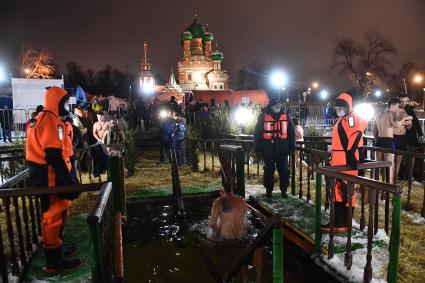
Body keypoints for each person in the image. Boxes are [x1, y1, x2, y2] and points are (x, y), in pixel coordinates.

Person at [26, 87, 81, 272]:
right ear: (56, 101)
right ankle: (53, 261)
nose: (66, 106)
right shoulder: (49, 120)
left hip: (51, 174)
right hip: (50, 175)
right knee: (53, 215)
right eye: (64, 102)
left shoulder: (48, 118)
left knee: (59, 211)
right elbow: (53, 155)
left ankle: (58, 249)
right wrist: (67, 182)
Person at [321, 93, 366, 231]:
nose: (338, 109)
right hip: (339, 160)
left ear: (348, 107)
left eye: (341, 107)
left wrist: (351, 154)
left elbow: (355, 135)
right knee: (340, 191)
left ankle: (342, 223)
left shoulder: (351, 119)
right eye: (337, 107)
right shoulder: (343, 119)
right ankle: (341, 223)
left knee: (345, 191)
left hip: (346, 161)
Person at [253, 93, 296, 198]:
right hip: (268, 149)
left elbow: (291, 131)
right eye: (276, 104)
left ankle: (284, 190)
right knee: (269, 170)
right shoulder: (263, 116)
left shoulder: (286, 116)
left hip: (283, 149)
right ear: (271, 105)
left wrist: (292, 146)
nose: (278, 106)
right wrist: (257, 148)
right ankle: (268, 190)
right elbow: (257, 133)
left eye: (279, 104)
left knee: (284, 170)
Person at [373, 97, 412, 184]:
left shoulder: (378, 114)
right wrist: (404, 119)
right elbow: (396, 124)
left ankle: (378, 188)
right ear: (393, 105)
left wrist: (376, 140)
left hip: (379, 140)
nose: (397, 109)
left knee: (379, 166)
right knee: (390, 166)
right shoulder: (392, 113)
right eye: (397, 106)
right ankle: (388, 190)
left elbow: (373, 130)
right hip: (388, 141)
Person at [400, 94, 424, 181]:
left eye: (406, 101)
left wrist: (420, 135)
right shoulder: (399, 109)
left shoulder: (408, 109)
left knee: (408, 157)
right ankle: (406, 176)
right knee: (406, 157)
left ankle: (408, 176)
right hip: (404, 138)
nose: (404, 103)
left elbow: (416, 123)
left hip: (410, 138)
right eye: (402, 101)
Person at [92, 112, 110, 177]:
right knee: (96, 152)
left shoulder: (108, 123)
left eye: (100, 117)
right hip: (99, 141)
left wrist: (105, 139)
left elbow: (110, 132)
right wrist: (99, 139)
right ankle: (98, 171)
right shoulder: (95, 124)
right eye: (98, 117)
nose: (99, 118)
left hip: (107, 141)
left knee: (106, 154)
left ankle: (106, 169)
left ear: (104, 116)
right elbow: (94, 133)